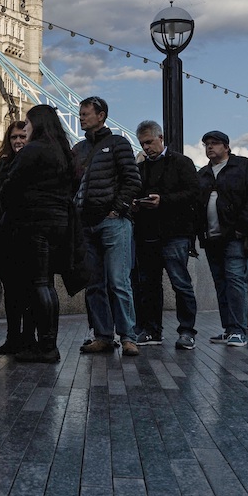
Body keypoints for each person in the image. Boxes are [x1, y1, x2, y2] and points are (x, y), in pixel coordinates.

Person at [0, 105, 74, 363]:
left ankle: (47, 346)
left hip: (34, 222)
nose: (25, 130)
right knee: (47, 283)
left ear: (38, 124)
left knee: (38, 284)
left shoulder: (33, 150)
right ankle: (47, 342)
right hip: (58, 223)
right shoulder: (62, 152)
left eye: (27, 125)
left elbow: (10, 186)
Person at [71, 96, 141, 357]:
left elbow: (132, 180)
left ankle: (128, 337)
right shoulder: (77, 150)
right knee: (94, 284)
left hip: (113, 222)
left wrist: (118, 208)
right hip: (85, 225)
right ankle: (102, 335)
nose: (81, 118)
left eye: (86, 113)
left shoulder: (118, 143)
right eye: (79, 114)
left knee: (119, 282)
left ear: (101, 115)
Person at [132, 120, 201, 350]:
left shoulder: (182, 163)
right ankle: (152, 330)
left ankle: (187, 331)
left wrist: (163, 201)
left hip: (175, 233)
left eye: (149, 142)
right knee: (148, 286)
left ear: (161, 138)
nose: (146, 148)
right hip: (147, 235)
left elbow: (193, 193)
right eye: (142, 144)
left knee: (180, 284)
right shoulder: (139, 169)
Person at [197, 130, 248, 346]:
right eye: (206, 144)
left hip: (234, 236)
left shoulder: (242, 166)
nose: (209, 147)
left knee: (235, 280)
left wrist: (240, 229)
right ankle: (228, 328)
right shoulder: (203, 174)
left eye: (214, 143)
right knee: (221, 283)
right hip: (211, 237)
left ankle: (237, 329)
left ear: (226, 147)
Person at [0, 120, 29, 354]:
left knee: (29, 288)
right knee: (12, 290)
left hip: (27, 233)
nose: (18, 141)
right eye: (14, 137)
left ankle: (28, 337)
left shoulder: (35, 163)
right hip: (4, 235)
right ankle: (13, 336)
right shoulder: (2, 166)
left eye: (23, 137)